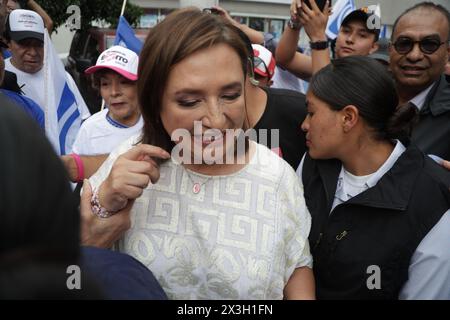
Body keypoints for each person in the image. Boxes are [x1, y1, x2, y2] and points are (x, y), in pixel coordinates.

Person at [88, 8, 315, 300]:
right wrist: (103, 209)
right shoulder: (122, 168)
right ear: (154, 101)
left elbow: (297, 265)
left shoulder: (277, 176)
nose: (216, 119)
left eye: (231, 95)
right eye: (190, 101)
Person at [298, 55, 450, 299]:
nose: (304, 124)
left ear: (348, 118)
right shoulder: (312, 164)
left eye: (311, 113)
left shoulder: (433, 203)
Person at [0, 92, 167, 299]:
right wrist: (89, 249)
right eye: (188, 102)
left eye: (125, 82)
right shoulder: (121, 278)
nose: (115, 91)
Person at [3, 9, 90, 153]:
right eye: (24, 44)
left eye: (39, 44)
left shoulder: (61, 77)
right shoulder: (2, 73)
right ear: (8, 43)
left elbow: (83, 121)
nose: (33, 52)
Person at [389, 2, 450, 160]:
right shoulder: (364, 94)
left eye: (429, 45)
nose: (414, 55)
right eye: (404, 44)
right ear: (390, 49)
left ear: (447, 53)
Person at [276, 0, 380, 79]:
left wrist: (318, 37)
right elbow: (285, 59)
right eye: (346, 31)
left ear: (373, 47)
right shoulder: (330, 67)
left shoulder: (371, 80)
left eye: (362, 35)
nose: (350, 39)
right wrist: (296, 22)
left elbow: (325, 90)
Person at [71, 46, 143, 156]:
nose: (114, 92)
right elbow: (76, 170)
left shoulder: (158, 124)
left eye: (124, 82)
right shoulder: (90, 129)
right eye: (105, 84)